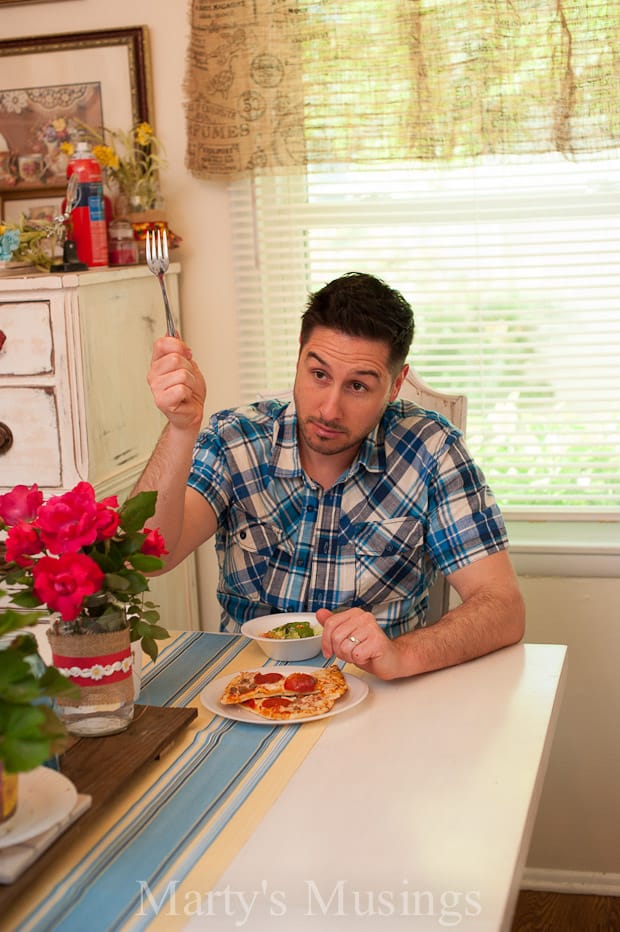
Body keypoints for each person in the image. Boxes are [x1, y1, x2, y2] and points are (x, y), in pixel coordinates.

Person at [134, 272, 524, 680]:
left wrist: (400, 654)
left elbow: (502, 606)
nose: (329, 410)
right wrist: (181, 429)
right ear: (299, 356)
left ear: (395, 386)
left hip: (377, 694)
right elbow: (145, 558)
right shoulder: (234, 439)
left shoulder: (431, 449)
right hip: (247, 689)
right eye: (319, 375)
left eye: (358, 386)